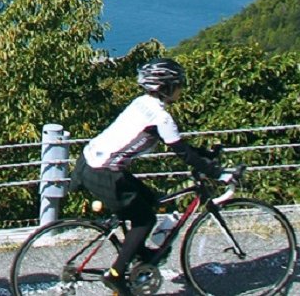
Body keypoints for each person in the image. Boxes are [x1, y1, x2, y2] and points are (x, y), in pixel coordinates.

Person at [70, 58, 232, 296]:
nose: (181, 88)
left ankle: (140, 253)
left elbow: (181, 146)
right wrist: (220, 174)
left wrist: (206, 156)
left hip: (89, 162)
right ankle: (116, 275)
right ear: (165, 87)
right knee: (145, 220)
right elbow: (183, 153)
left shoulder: (142, 103)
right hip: (104, 172)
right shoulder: (161, 117)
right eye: (178, 83)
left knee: (152, 200)